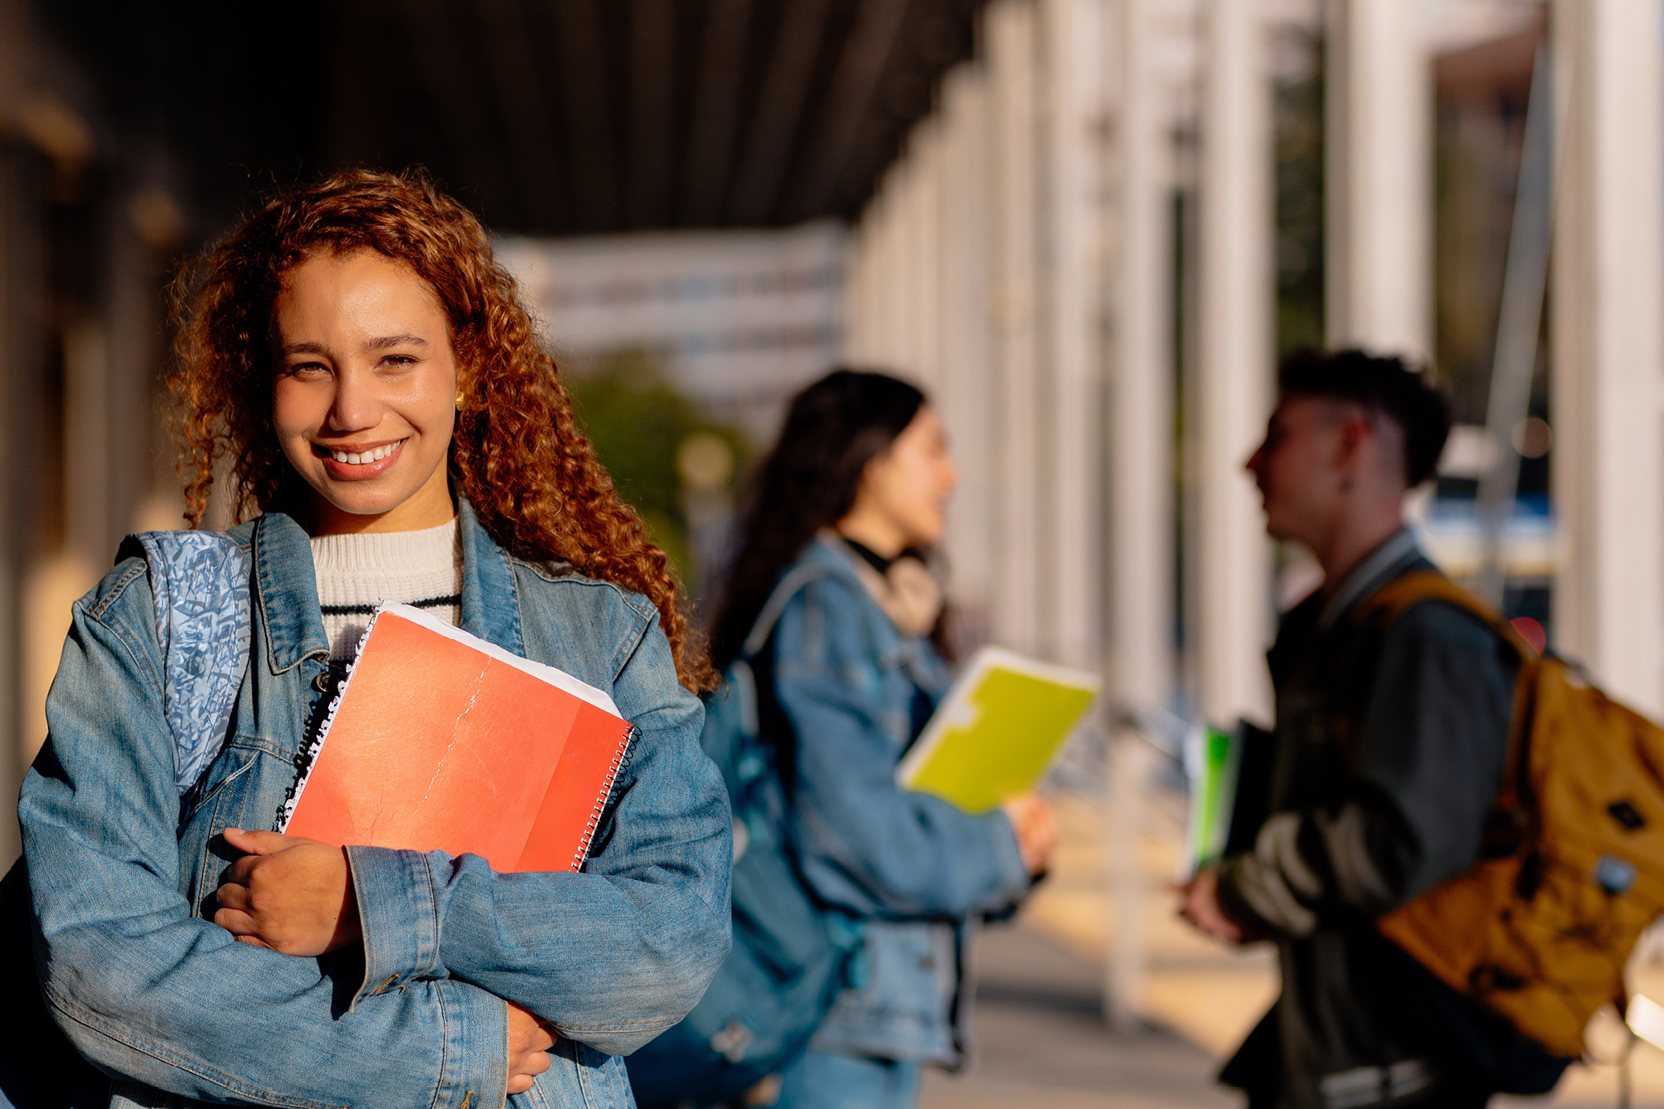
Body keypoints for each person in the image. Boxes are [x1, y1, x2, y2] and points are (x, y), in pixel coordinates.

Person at [17, 170, 732, 1109]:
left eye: (395, 360)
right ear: (262, 378)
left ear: (468, 366)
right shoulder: (160, 617)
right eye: (309, 365)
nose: (352, 410)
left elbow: (671, 937)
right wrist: (444, 1046)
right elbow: (98, 960)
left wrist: (375, 904)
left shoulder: (600, 634)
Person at [1178, 350, 1568, 1107]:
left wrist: (1248, 888)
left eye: (1277, 435)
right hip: (1339, 1059)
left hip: (1397, 1074)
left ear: (1349, 444)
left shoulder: (1427, 637)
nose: (1249, 462)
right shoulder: (1337, 624)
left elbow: (1403, 838)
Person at [708, 369, 1057, 1109]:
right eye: (933, 450)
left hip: (866, 1006)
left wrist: (1010, 846)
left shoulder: (877, 603)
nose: (951, 475)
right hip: (834, 1009)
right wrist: (998, 847)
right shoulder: (827, 606)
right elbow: (852, 829)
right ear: (870, 463)